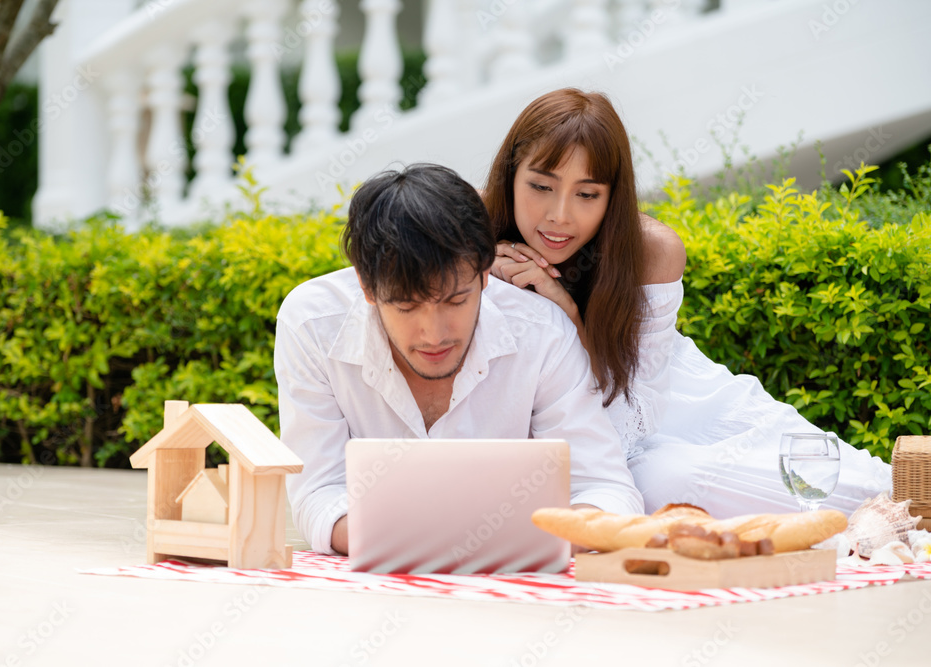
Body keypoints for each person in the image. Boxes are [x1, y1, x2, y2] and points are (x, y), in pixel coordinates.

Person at [482, 88, 891, 518]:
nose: (559, 215)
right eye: (541, 186)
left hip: (682, 415)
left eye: (587, 194)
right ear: (510, 175)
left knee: (879, 493)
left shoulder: (649, 252)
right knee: (658, 485)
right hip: (629, 463)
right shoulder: (470, 234)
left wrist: (565, 313)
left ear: (612, 195)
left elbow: (627, 432)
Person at [274, 163, 643, 556]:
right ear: (366, 286)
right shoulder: (312, 324)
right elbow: (319, 492)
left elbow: (605, 489)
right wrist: (442, 541)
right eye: (406, 306)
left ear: (485, 274)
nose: (434, 334)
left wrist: (502, 542)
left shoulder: (542, 333)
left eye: (456, 300)